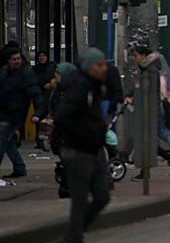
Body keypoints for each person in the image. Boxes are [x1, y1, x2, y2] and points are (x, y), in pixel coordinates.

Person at [56, 48, 111, 243]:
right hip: (77, 152)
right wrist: (85, 134)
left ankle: (72, 235)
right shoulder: (79, 87)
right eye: (100, 65)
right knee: (80, 201)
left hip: (93, 150)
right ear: (89, 67)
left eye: (105, 64)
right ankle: (73, 237)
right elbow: (62, 116)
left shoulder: (95, 85)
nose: (104, 68)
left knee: (102, 197)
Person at [130, 46, 170, 178]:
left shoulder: (151, 71)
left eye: (135, 55)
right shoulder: (151, 69)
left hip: (153, 109)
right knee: (159, 134)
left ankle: (135, 160)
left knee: (146, 136)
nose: (133, 58)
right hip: (155, 108)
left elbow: (151, 92)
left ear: (143, 56)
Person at [0, 46, 45, 178]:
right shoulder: (4, 72)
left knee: (2, 139)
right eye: (14, 59)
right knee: (7, 142)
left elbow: (35, 94)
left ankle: (19, 167)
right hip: (4, 111)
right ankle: (19, 167)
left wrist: (38, 113)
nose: (17, 61)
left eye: (19, 58)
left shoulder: (26, 74)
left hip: (16, 114)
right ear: (8, 60)